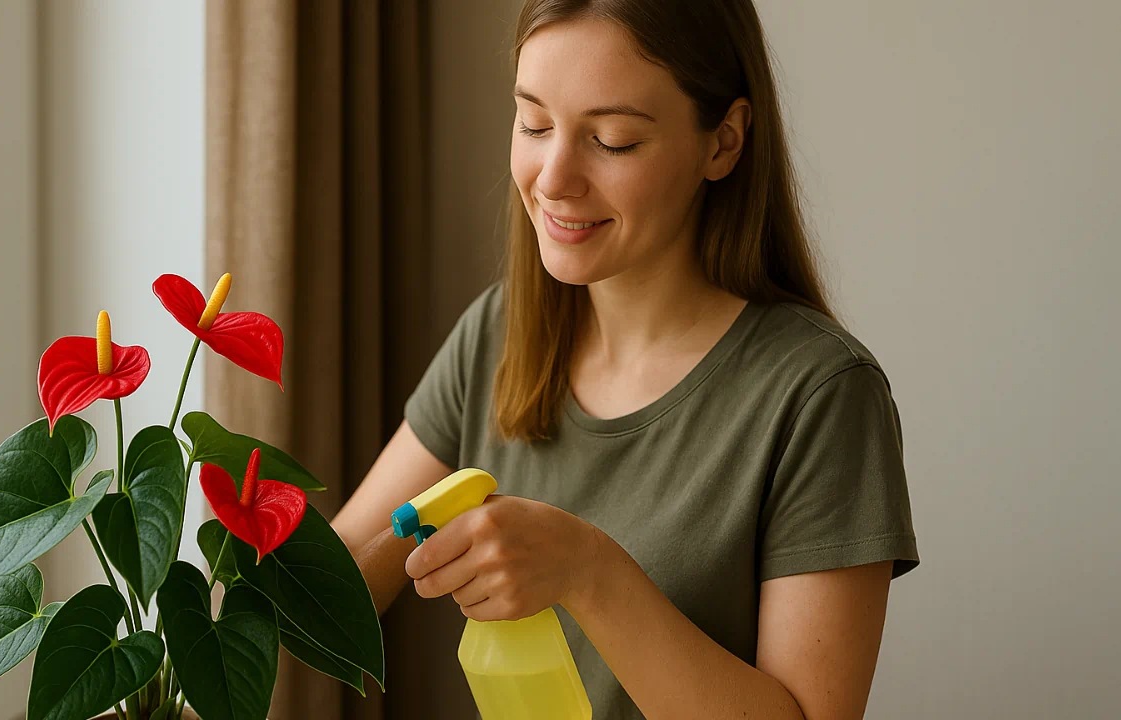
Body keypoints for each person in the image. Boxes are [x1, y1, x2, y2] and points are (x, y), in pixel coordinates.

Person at [331, 1, 918, 718]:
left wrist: (588, 570)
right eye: (534, 123)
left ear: (724, 143)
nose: (553, 178)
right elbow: (330, 582)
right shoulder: (499, 333)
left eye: (611, 141)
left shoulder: (820, 396)